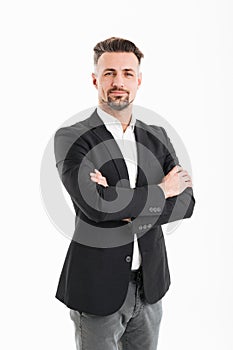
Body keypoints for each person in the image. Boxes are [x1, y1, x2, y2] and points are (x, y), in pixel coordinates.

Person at [54, 37, 195, 350]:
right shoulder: (73, 137)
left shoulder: (157, 136)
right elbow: (97, 208)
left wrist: (121, 200)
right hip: (97, 289)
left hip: (150, 287)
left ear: (139, 80)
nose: (119, 82)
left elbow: (185, 202)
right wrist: (161, 190)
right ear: (95, 79)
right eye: (109, 73)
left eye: (128, 73)